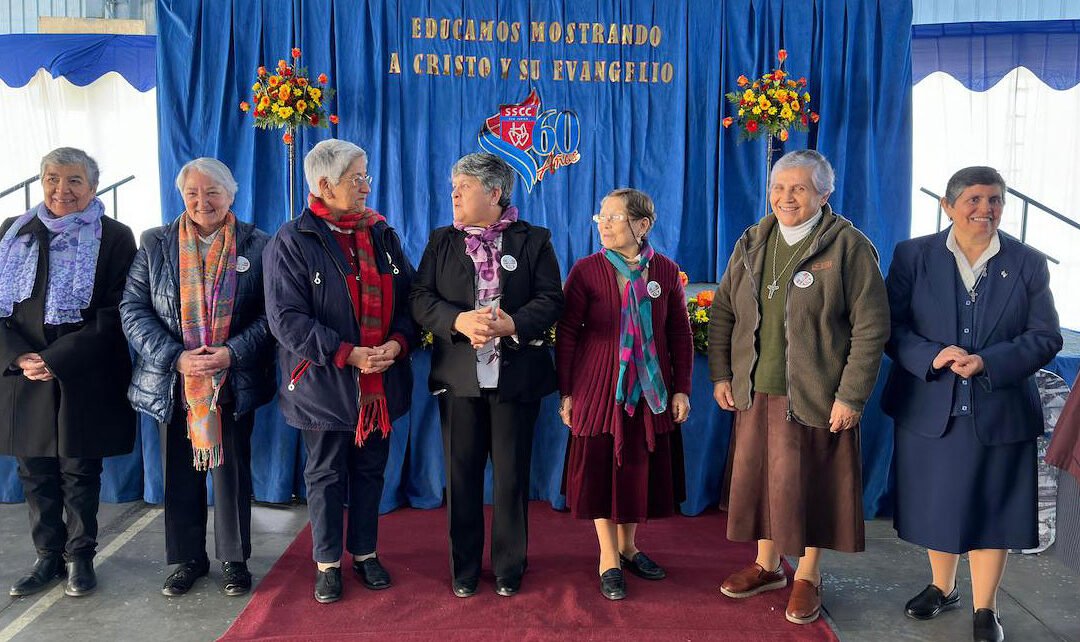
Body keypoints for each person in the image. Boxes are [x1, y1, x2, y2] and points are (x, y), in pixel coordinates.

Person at [708, 149, 889, 625]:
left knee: (810, 488)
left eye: (799, 189)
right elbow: (724, 310)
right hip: (755, 389)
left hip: (816, 395)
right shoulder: (752, 240)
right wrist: (721, 373)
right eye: (778, 189)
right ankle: (767, 567)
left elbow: (871, 327)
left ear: (823, 195)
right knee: (761, 482)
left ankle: (807, 574)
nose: (786, 198)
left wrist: (851, 396)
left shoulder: (849, 247)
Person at [882, 166, 1062, 642]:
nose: (986, 209)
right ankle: (941, 587)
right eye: (975, 199)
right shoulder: (912, 255)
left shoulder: (1027, 261)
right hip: (929, 407)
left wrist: (989, 361)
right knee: (936, 505)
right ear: (948, 205)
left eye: (995, 200)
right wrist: (931, 355)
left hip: (1000, 409)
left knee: (992, 509)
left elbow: (1045, 336)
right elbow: (890, 328)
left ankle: (986, 609)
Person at [263, 139, 416, 604]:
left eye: (366, 176)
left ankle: (365, 553)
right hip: (324, 383)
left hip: (381, 381)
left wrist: (398, 343)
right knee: (326, 474)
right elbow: (285, 320)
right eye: (358, 178)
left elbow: (411, 300)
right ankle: (327, 563)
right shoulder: (293, 239)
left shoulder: (382, 234)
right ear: (325, 185)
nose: (367, 186)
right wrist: (347, 353)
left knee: (371, 471)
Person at [410, 152, 563, 598]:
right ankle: (463, 567)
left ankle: (509, 566)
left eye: (464, 187)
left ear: (494, 193)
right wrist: (459, 321)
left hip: (517, 380)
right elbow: (420, 298)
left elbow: (551, 298)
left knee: (512, 478)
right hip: (459, 379)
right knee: (461, 478)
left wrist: (512, 323)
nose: (454, 194)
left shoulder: (534, 239)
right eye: (453, 186)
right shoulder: (442, 241)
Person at [120, 157, 275, 597]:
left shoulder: (259, 245)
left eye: (213, 192)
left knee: (232, 477)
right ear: (181, 196)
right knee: (180, 476)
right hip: (173, 382)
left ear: (232, 195)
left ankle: (235, 560)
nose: (202, 201)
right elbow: (133, 310)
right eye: (192, 193)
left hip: (231, 381)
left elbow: (272, 314)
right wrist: (176, 358)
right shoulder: (155, 243)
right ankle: (188, 559)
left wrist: (230, 353)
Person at [0, 147, 137, 598]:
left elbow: (115, 312)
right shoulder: (13, 232)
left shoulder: (115, 236)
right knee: (34, 469)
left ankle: (80, 557)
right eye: (52, 179)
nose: (63, 190)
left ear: (93, 187)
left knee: (80, 469)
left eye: (75, 180)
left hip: (82, 370)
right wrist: (21, 357)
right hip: (24, 374)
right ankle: (47, 558)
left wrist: (56, 359)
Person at [556, 188, 693, 600]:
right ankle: (608, 558)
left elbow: (680, 335)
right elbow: (566, 334)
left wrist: (682, 388)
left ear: (642, 225)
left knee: (637, 467)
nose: (603, 223)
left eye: (613, 217)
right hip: (599, 389)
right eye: (601, 217)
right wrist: (567, 392)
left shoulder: (666, 272)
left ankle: (630, 547)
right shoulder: (586, 271)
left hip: (652, 391)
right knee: (600, 469)